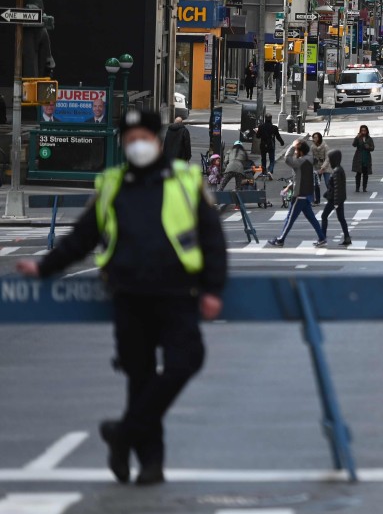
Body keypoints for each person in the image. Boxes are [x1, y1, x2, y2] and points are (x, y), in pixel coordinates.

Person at [16, 107, 227, 486]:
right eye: (130, 140)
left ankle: (123, 433)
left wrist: (213, 288)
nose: (137, 146)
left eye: (143, 138)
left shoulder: (184, 180)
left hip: (177, 292)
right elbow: (83, 237)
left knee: (186, 361)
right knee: (139, 379)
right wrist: (45, 266)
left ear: (156, 139)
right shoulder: (113, 184)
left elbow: (211, 237)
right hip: (129, 295)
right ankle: (150, 463)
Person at [268, 140, 328, 247]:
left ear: (300, 151)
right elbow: (299, 178)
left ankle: (281, 239)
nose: (295, 152)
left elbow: (287, 159)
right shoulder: (309, 160)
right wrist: (289, 187)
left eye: (296, 150)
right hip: (307, 194)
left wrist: (292, 145)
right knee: (311, 218)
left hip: (300, 194)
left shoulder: (300, 162)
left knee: (290, 218)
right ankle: (322, 237)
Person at [320, 149, 352, 246]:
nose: (329, 161)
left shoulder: (337, 171)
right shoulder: (338, 169)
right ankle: (347, 237)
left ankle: (322, 238)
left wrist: (336, 202)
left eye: (330, 158)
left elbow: (337, 188)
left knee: (324, 216)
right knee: (341, 218)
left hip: (334, 199)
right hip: (338, 198)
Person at [351, 124, 374, 192]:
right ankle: (357, 188)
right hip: (359, 157)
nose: (363, 132)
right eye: (362, 131)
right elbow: (354, 145)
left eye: (364, 130)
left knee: (365, 174)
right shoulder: (358, 138)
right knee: (358, 173)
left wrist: (368, 147)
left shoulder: (369, 139)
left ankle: (364, 187)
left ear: (367, 131)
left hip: (366, 157)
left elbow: (372, 148)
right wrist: (356, 137)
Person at [309, 132, 328, 204]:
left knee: (327, 183)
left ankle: (332, 199)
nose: (314, 139)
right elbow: (310, 157)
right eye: (313, 137)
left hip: (326, 167)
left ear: (319, 138)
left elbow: (327, 158)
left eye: (316, 137)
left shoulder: (325, 146)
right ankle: (317, 200)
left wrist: (323, 168)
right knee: (316, 184)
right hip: (316, 166)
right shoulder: (312, 147)